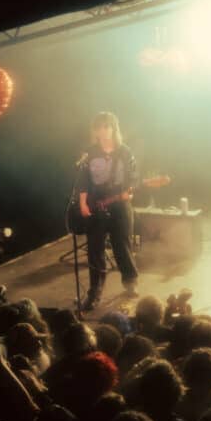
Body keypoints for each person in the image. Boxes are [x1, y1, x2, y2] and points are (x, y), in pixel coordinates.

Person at [76, 112, 139, 311]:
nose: (102, 131)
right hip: (96, 204)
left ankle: (130, 282)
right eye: (98, 127)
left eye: (106, 127)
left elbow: (134, 177)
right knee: (95, 249)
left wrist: (129, 191)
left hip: (120, 204)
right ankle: (94, 292)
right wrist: (83, 203)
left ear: (113, 128)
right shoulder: (89, 153)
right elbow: (82, 180)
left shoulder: (125, 151)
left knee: (122, 245)